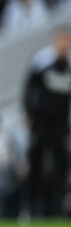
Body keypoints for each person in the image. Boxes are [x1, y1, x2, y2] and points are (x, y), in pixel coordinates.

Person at [23, 27, 71, 217]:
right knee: (37, 167)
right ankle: (31, 209)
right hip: (40, 124)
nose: (62, 45)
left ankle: (56, 211)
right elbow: (28, 91)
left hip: (60, 127)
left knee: (61, 168)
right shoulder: (42, 62)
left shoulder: (68, 67)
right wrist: (29, 116)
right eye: (59, 40)